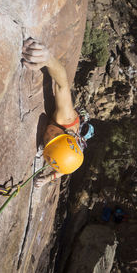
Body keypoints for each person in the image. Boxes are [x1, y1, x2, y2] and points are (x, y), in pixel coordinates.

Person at [22, 38, 94, 187]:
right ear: (64, 133)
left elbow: (66, 168)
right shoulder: (64, 118)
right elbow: (62, 84)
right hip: (73, 126)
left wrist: (48, 179)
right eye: (54, 135)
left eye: (47, 141)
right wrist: (48, 59)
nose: (47, 135)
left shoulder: (67, 156)